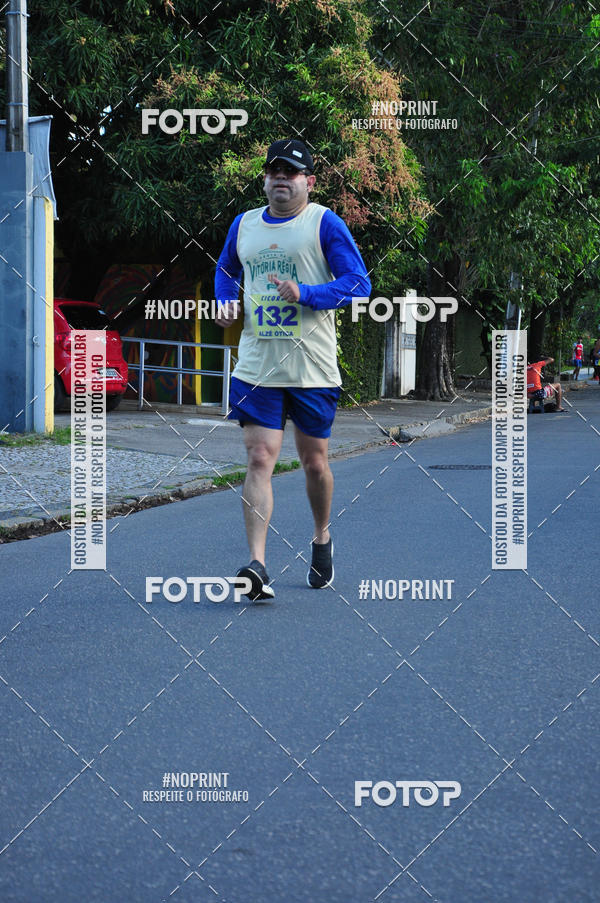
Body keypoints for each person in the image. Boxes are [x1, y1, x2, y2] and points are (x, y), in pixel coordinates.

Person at [214, 139, 371, 601]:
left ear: (309, 181)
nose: (281, 178)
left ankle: (321, 537)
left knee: (314, 462)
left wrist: (306, 294)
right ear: (264, 179)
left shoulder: (323, 223)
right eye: (274, 171)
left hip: (312, 368)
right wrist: (225, 301)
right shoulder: (244, 225)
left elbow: (359, 283)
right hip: (257, 364)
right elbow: (226, 269)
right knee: (260, 457)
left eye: (292, 172)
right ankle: (257, 564)